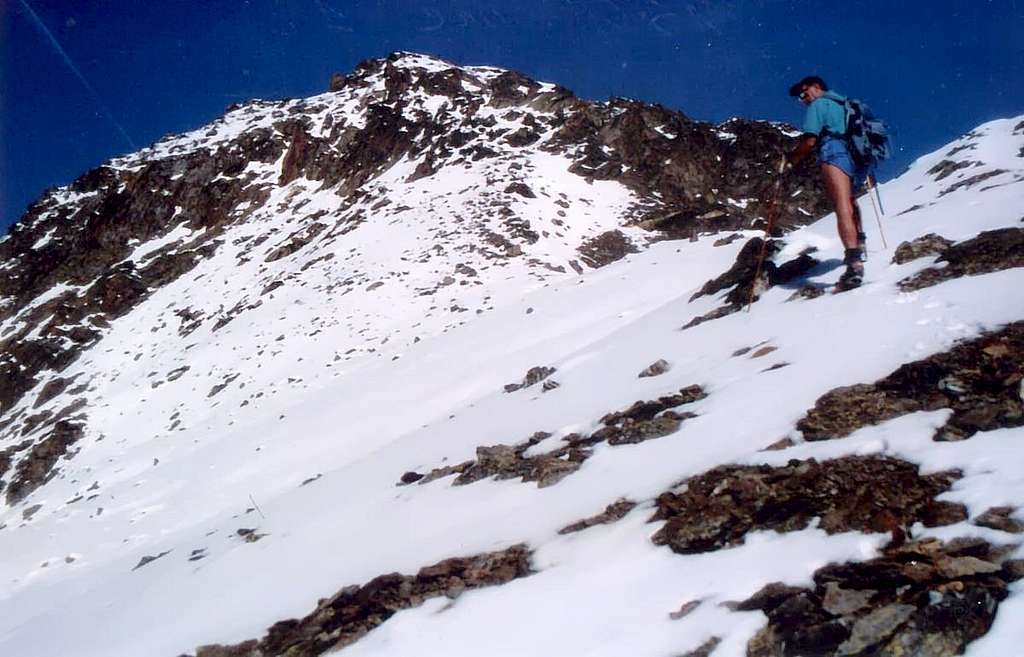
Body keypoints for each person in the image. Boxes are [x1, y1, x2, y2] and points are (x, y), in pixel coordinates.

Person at [785, 75, 869, 287]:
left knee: (841, 203)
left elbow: (811, 140)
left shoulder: (818, 105)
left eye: (803, 93)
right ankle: (860, 243)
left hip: (833, 150)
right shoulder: (844, 104)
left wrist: (791, 160)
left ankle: (854, 263)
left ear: (816, 87)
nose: (802, 99)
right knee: (850, 201)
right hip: (855, 155)